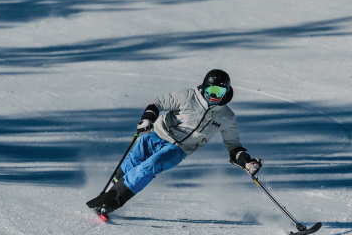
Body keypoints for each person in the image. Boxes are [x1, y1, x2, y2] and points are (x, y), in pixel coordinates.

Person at [87, 69, 263, 219]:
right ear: (204, 87)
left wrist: (246, 161)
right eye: (211, 91)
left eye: (219, 92)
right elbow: (158, 103)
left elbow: (234, 145)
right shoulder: (187, 96)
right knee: (132, 162)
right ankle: (108, 192)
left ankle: (114, 201)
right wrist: (147, 119)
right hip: (156, 135)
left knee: (150, 166)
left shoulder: (227, 117)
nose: (214, 96)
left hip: (178, 149)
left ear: (227, 92)